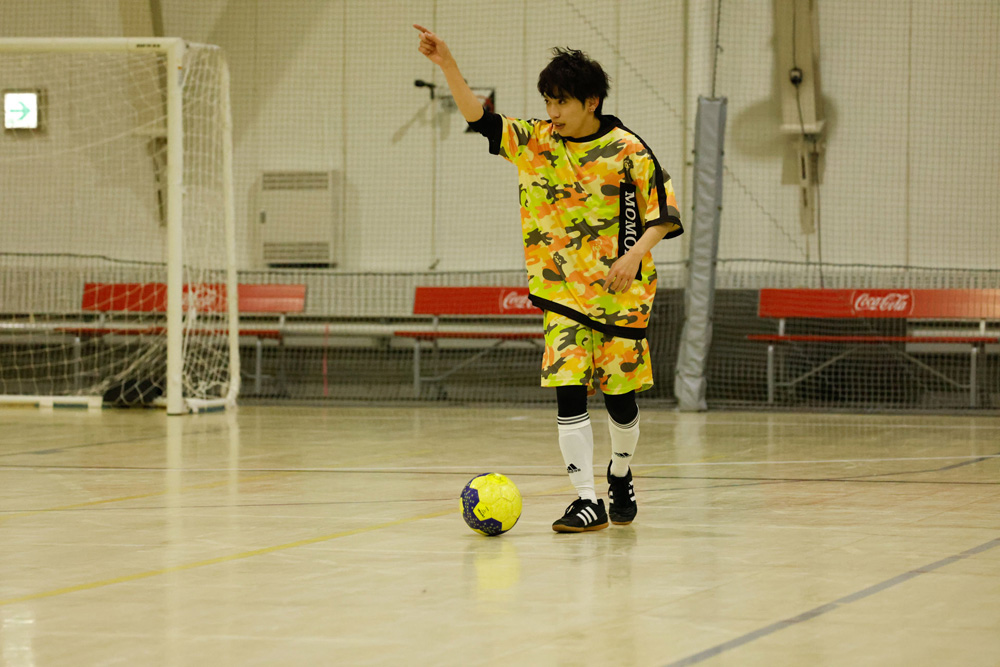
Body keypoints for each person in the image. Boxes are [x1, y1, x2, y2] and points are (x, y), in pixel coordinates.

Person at [414, 24, 683, 533]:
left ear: (591, 102)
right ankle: (586, 500)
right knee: (568, 390)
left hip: (622, 296)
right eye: (547, 101)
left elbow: (664, 214)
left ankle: (619, 472)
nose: (552, 111)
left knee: (622, 402)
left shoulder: (628, 149)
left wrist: (633, 257)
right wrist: (447, 63)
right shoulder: (536, 141)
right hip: (561, 294)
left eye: (561, 102)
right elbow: (480, 118)